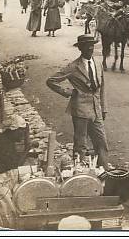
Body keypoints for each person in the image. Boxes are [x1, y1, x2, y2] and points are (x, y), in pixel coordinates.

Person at [46, 35, 109, 168]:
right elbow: (51, 80)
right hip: (80, 109)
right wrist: (68, 92)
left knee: (101, 141)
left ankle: (104, 170)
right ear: (80, 48)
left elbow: (102, 87)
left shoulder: (98, 63)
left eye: (92, 45)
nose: (90, 48)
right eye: (87, 45)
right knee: (81, 143)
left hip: (96, 109)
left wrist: (104, 107)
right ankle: (80, 173)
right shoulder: (74, 66)